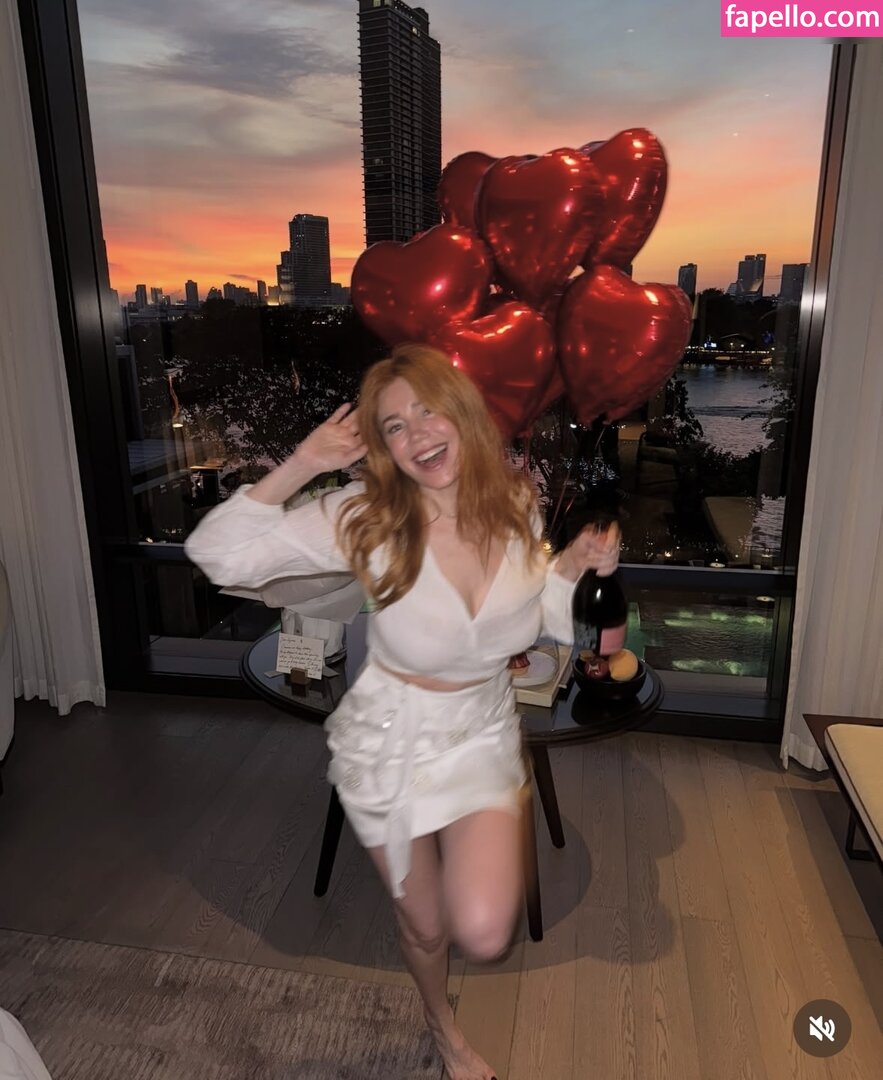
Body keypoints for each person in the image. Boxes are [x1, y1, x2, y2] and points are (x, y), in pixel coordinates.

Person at [185, 343, 620, 1080]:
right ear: (382, 448)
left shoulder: (516, 500)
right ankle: (441, 1027)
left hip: (481, 733)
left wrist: (572, 568)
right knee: (424, 924)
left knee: (485, 930)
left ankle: (442, 962)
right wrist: (305, 461)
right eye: (393, 426)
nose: (416, 434)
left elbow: (535, 612)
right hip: (391, 738)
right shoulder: (366, 517)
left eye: (427, 411)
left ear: (461, 412)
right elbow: (216, 553)